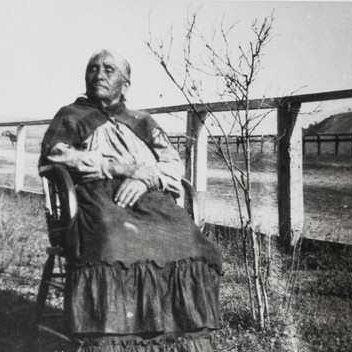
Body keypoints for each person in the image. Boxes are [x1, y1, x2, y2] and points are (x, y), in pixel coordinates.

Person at [40, 50, 222, 352]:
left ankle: (172, 338)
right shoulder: (71, 115)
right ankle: (111, 341)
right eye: (93, 69)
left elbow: (172, 162)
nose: (99, 74)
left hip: (149, 198)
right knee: (113, 240)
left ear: (125, 85)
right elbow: (55, 154)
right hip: (95, 198)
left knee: (188, 240)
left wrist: (145, 177)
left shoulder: (142, 121)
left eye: (109, 70)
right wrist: (116, 167)